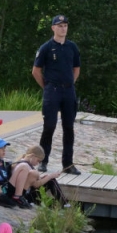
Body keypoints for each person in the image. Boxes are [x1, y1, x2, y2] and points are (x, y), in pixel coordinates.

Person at [32, 15, 81, 175]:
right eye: (59, 25)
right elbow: (36, 71)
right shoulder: (46, 47)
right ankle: (42, 160)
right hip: (52, 90)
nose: (63, 28)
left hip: (68, 91)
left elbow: (76, 68)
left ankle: (68, 164)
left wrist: (69, 84)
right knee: (49, 126)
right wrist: (47, 87)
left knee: (69, 127)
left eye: (65, 25)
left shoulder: (72, 47)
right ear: (53, 28)